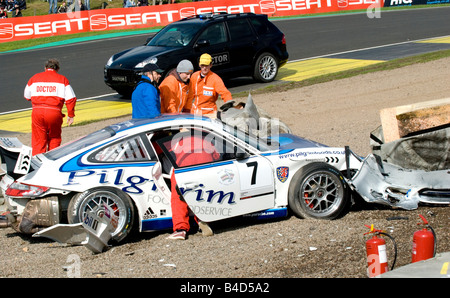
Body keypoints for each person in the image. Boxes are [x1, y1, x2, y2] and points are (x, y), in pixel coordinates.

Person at [166, 132, 218, 240]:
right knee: (204, 193)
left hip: (183, 168)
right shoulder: (206, 139)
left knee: (178, 198)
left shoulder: (175, 141)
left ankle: (180, 230)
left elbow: (166, 152)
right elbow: (216, 156)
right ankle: (203, 219)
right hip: (205, 166)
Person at [24, 58, 77, 156]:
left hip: (37, 111)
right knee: (54, 138)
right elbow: (71, 99)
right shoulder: (62, 79)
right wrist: (71, 114)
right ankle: (53, 158)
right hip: (54, 111)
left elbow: (27, 96)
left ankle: (37, 161)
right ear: (57, 69)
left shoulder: (34, 78)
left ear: (45, 68)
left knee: (38, 140)